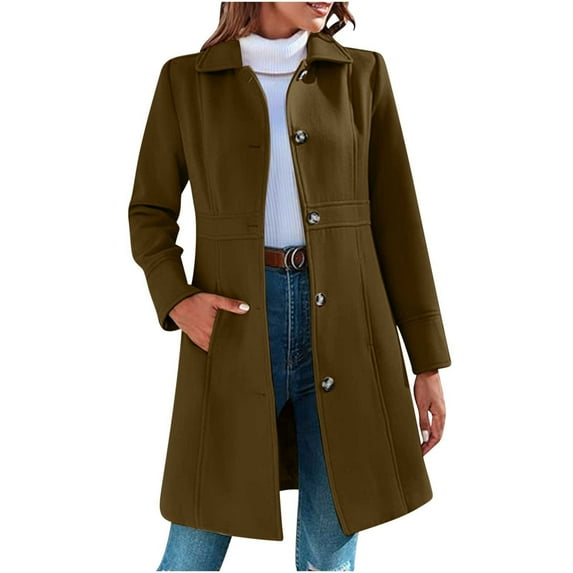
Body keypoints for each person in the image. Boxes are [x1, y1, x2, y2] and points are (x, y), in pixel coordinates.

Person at [128, 2, 451, 571]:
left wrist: (427, 362)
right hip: (236, 325)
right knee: (194, 547)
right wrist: (177, 299)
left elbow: (399, 223)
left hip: (348, 327)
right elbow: (149, 211)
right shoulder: (186, 80)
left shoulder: (362, 75)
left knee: (329, 554)